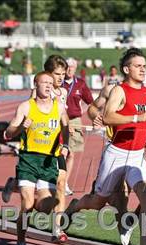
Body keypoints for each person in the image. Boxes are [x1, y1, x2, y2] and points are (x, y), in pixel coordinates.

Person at [65, 48, 146, 245]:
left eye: (144, 66)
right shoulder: (119, 90)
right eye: (138, 66)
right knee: (98, 202)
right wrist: (137, 118)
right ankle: (74, 206)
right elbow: (107, 116)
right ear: (127, 69)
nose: (143, 69)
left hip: (137, 155)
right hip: (116, 153)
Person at [2, 55, 69, 243]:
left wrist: (66, 144)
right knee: (28, 203)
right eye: (56, 74)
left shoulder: (61, 96)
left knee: (54, 195)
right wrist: (23, 126)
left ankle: (53, 219)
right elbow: (13, 127)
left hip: (52, 153)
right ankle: (24, 240)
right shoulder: (30, 101)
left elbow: (66, 123)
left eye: (62, 74)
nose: (59, 78)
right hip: (30, 156)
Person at [63, 58, 94, 196]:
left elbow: (91, 102)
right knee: (58, 152)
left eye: (72, 67)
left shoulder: (80, 84)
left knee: (71, 153)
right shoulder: (57, 82)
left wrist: (96, 117)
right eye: (67, 67)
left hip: (75, 120)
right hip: (58, 120)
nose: (69, 69)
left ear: (75, 68)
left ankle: (64, 183)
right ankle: (54, 181)